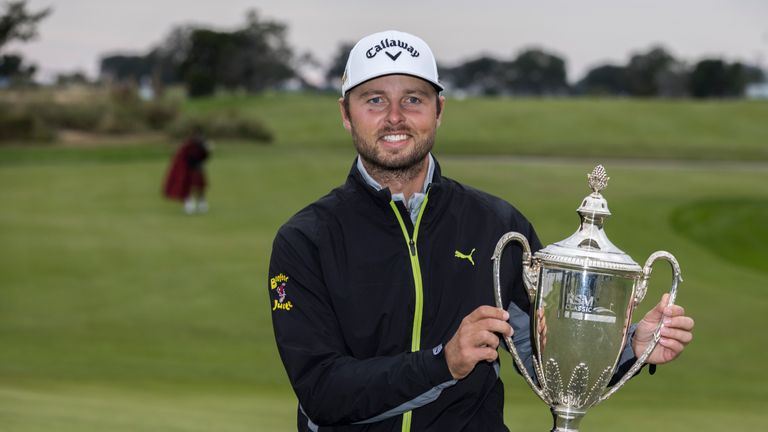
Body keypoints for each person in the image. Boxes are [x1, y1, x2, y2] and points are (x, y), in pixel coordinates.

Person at [268, 30, 694, 432]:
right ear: (346, 113)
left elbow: (547, 356)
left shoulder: (498, 226)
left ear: (439, 110)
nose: (394, 117)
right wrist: (443, 363)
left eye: (413, 99)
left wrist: (628, 349)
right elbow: (321, 391)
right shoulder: (306, 239)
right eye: (374, 100)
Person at [163, 128, 211, 214]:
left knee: (200, 187)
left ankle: (201, 204)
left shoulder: (201, 146)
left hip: (196, 168)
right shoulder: (188, 146)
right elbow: (183, 158)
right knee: (187, 186)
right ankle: (190, 205)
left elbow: (205, 157)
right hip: (187, 169)